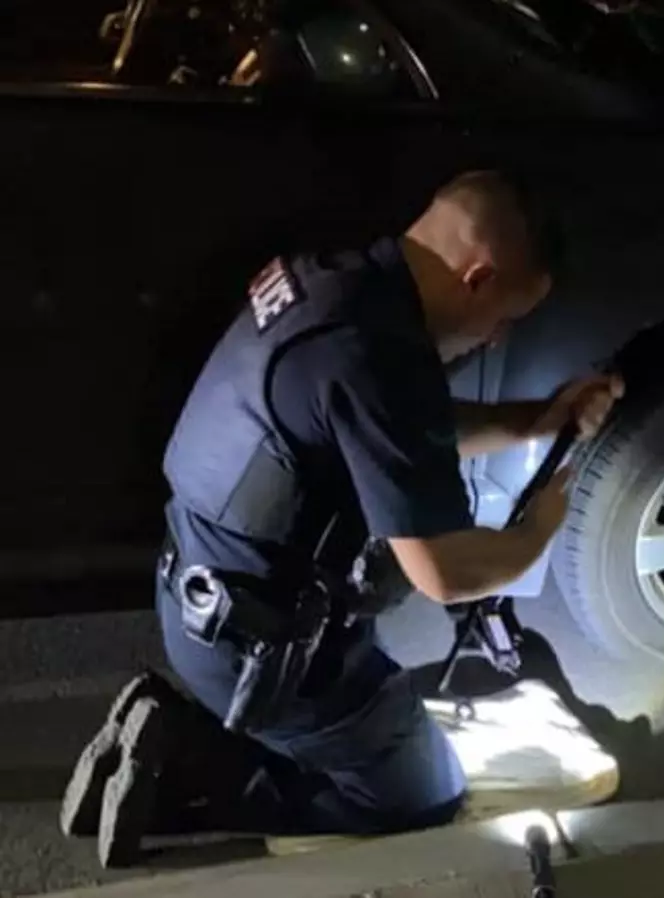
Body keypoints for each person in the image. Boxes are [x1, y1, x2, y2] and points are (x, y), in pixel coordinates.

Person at [60, 170, 624, 867]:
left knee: (373, 723)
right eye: (506, 317)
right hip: (263, 653)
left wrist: (531, 422)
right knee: (425, 794)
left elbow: (396, 433)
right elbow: (444, 574)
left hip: (196, 596)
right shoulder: (376, 355)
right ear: (477, 277)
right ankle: (185, 760)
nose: (495, 339)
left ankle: (182, 726)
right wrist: (539, 528)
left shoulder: (334, 285)